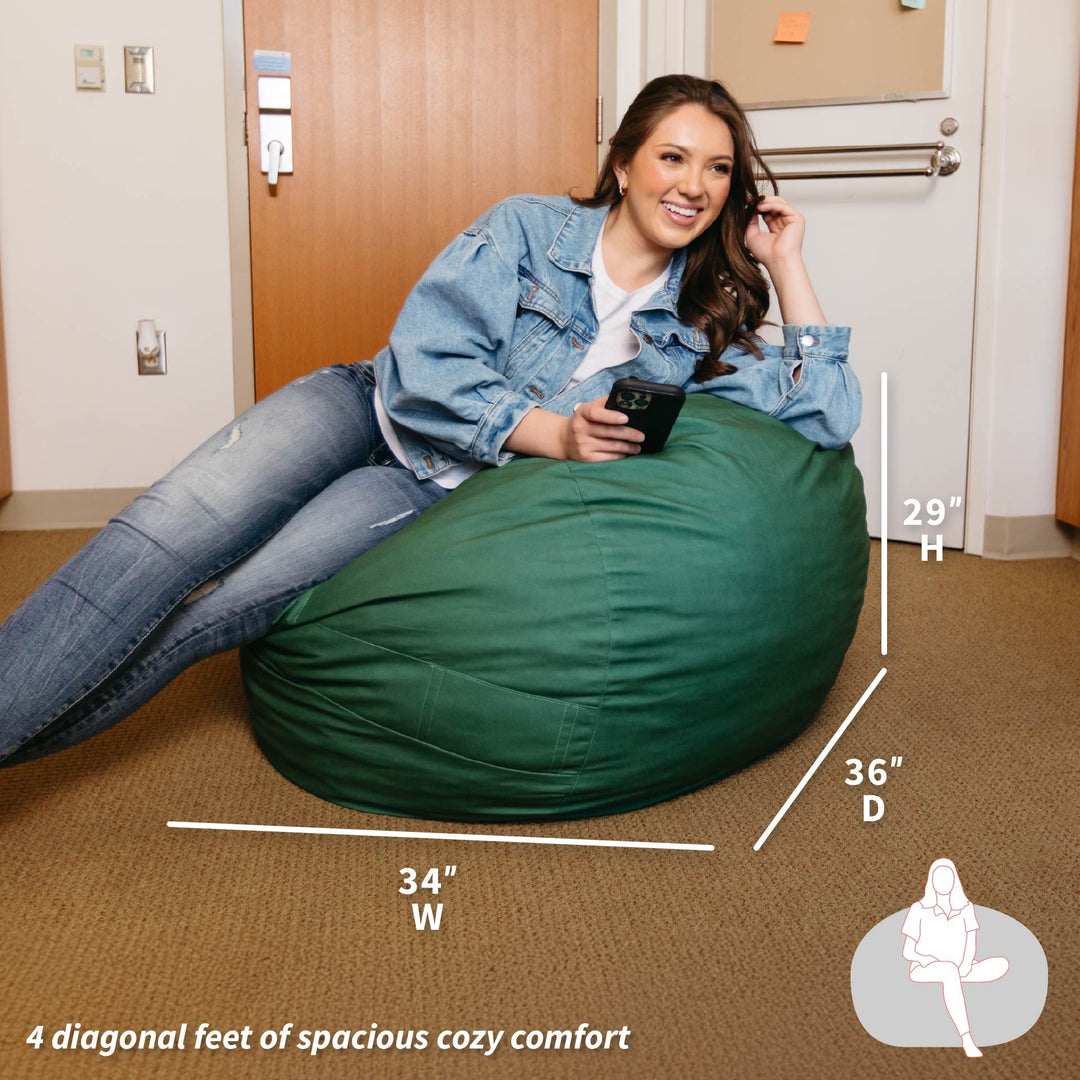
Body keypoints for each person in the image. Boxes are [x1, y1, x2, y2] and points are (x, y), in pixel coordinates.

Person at [0, 74, 860, 769]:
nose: (695, 185)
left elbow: (829, 414)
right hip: (361, 407)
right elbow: (427, 365)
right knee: (160, 537)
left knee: (218, 612)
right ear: (626, 162)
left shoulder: (699, 321)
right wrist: (555, 435)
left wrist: (785, 263)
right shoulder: (527, 228)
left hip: (426, 487)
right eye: (674, 156)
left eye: (717, 169)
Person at [901, 858, 1010, 1057]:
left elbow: (971, 941)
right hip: (925, 967)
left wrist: (967, 963)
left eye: (948, 878)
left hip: (960, 967)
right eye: (939, 878)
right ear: (931, 881)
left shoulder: (966, 908)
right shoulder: (919, 909)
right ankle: (966, 1037)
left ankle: (957, 979)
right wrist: (925, 959)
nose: (943, 883)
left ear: (954, 880)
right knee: (948, 971)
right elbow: (907, 951)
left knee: (1001, 964)